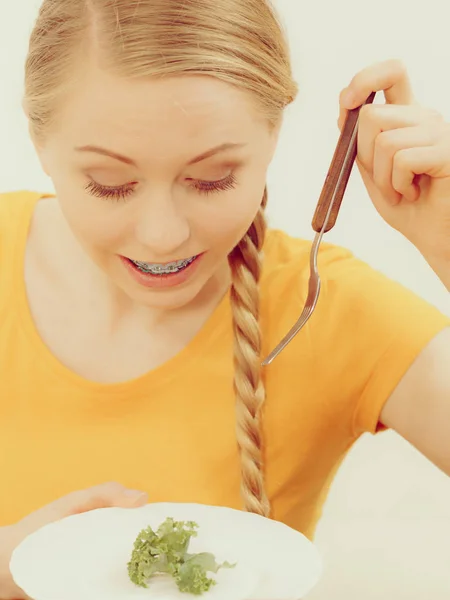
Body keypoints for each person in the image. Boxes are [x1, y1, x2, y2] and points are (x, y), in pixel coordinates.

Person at [1, 0, 450, 597]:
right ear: (39, 144)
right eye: (111, 185)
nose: (162, 235)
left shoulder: (326, 308)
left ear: (273, 138)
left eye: (211, 179)